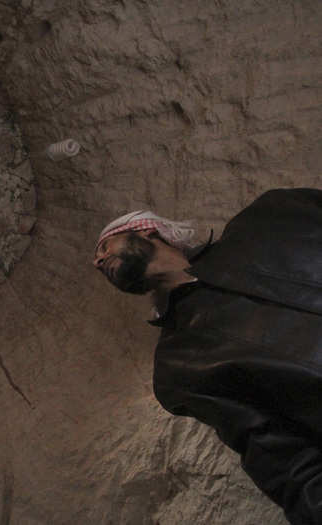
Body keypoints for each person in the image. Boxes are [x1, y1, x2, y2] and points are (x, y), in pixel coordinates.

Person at [92, 188, 322, 525]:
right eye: (98, 262)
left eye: (103, 247)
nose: (96, 261)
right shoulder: (181, 365)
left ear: (144, 229)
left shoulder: (269, 216)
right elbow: (284, 460)